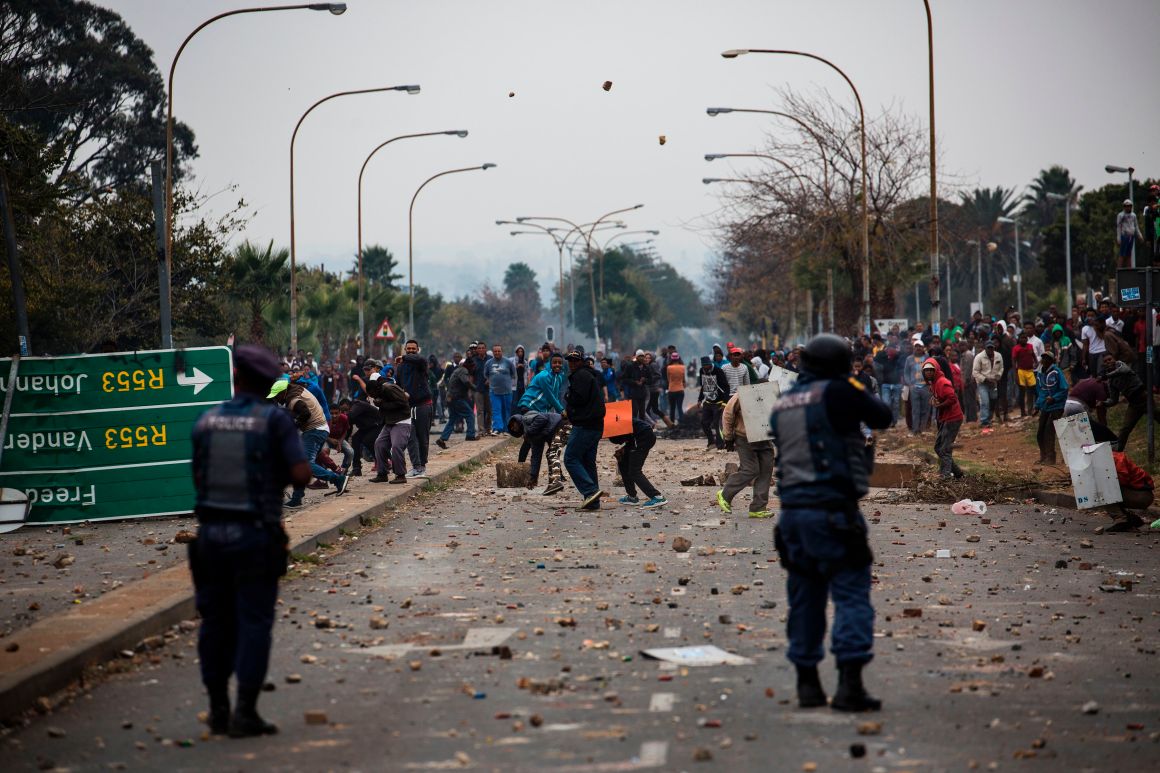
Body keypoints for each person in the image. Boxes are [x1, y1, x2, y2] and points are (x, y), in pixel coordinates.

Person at [190, 345, 310, 737]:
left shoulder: (207, 420)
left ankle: (217, 708)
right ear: (269, 384)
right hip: (255, 535)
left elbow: (197, 477)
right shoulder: (273, 422)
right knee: (254, 622)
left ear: (236, 378)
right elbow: (301, 474)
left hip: (210, 538)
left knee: (215, 623)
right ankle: (246, 711)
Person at [768, 334, 892, 712]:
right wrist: (851, 381)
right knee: (851, 594)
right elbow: (883, 417)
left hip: (792, 517)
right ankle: (849, 686)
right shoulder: (841, 391)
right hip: (834, 512)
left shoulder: (784, 402)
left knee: (805, 599)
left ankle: (807, 684)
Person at [268, 379, 348, 508]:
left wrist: (293, 426)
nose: (277, 399)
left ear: (283, 392)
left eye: (277, 396)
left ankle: (338, 479)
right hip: (319, 428)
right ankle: (297, 498)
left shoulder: (294, 400)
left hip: (314, 430)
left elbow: (305, 413)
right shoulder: (298, 390)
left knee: (305, 465)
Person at [717, 387, 775, 518]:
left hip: (764, 438)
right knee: (751, 469)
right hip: (744, 437)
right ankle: (725, 494)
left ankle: (758, 508)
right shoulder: (742, 396)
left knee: (766, 470)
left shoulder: (774, 395)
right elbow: (727, 414)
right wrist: (728, 437)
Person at [562, 347, 606, 510]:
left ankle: (590, 491)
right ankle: (593, 501)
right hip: (595, 425)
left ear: (581, 361)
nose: (572, 363)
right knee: (588, 462)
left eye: (575, 360)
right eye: (570, 360)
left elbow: (578, 399)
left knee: (570, 458)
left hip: (585, 425)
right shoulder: (588, 375)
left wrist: (568, 399)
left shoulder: (581, 376)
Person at [1102, 353, 1160, 451]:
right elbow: (1113, 400)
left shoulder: (1120, 365)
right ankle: (1118, 451)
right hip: (1133, 404)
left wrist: (1107, 375)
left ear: (1114, 359)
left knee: (1158, 416)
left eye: (1110, 359)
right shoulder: (1111, 381)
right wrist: (1103, 403)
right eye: (1106, 361)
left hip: (1144, 398)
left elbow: (1125, 370)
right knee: (1125, 428)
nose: (1108, 362)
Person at [508, 408, 568, 495]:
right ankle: (556, 482)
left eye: (513, 424)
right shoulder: (531, 436)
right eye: (512, 429)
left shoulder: (526, 418)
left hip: (562, 424)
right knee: (552, 453)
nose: (513, 428)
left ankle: (556, 482)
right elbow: (536, 456)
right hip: (557, 430)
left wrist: (529, 431)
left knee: (563, 455)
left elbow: (543, 418)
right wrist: (533, 477)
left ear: (516, 420)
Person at [610, 418, 667, 508]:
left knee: (634, 471)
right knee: (623, 461)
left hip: (642, 438)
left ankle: (657, 497)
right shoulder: (613, 418)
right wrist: (624, 449)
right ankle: (632, 497)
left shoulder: (611, 422)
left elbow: (618, 439)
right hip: (638, 438)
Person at [398, 339, 433, 478]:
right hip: (408, 407)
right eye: (408, 349)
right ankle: (416, 466)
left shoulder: (421, 363)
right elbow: (399, 385)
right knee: (410, 438)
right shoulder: (400, 367)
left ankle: (422, 466)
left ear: (417, 350)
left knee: (422, 437)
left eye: (414, 349)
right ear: (405, 349)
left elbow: (420, 360)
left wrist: (405, 357)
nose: (411, 350)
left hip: (423, 405)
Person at [924, 358, 964, 479]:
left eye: (931, 370)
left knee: (944, 449)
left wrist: (939, 405)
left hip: (953, 418)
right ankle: (958, 473)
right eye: (926, 371)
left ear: (936, 370)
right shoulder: (934, 383)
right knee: (938, 448)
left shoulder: (942, 382)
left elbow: (952, 398)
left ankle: (945, 476)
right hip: (946, 418)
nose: (929, 373)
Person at [436, 357, 478, 448]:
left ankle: (442, 439)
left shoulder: (459, 370)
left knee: (453, 419)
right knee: (470, 415)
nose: (474, 369)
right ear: (469, 366)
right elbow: (466, 382)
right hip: (456, 398)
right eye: (473, 367)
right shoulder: (463, 370)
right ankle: (470, 435)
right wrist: (476, 388)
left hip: (451, 398)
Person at [1034, 351, 1068, 464]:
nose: (1044, 360)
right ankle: (1043, 455)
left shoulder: (1056, 372)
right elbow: (1041, 392)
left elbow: (1064, 389)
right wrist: (1037, 406)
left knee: (1049, 430)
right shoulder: (1040, 374)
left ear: (1051, 361)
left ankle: (1051, 457)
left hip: (1056, 405)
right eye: (1043, 358)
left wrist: (1054, 398)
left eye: (1047, 358)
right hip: (1045, 405)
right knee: (1040, 432)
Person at [697, 356, 729, 449]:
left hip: (718, 402)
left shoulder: (718, 371)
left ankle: (720, 445)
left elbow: (726, 387)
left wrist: (724, 403)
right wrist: (700, 399)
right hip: (707, 401)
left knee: (716, 424)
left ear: (711, 364)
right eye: (704, 367)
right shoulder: (701, 371)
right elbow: (703, 386)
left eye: (708, 366)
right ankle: (711, 442)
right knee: (704, 423)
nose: (706, 369)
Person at [972, 339, 1003, 435]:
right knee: (985, 401)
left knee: (993, 399)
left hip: (993, 382)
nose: (990, 350)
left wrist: (997, 377)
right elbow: (975, 372)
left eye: (991, 348)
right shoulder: (979, 357)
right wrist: (985, 379)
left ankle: (989, 418)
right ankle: (984, 421)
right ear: (985, 348)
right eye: (988, 348)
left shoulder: (998, 356)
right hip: (983, 382)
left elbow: (1001, 368)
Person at [485, 344, 517, 434]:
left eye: (499, 351)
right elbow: (486, 374)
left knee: (506, 411)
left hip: (507, 391)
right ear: (493, 352)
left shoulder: (508, 362)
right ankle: (497, 428)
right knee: (496, 410)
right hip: (494, 391)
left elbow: (513, 373)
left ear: (502, 351)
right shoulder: (489, 363)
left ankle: (507, 429)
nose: (497, 353)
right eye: (495, 351)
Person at [1012, 332, 1038, 417]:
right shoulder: (1016, 348)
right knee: (1022, 392)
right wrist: (1015, 374)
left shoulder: (1030, 346)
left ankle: (1033, 409)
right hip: (1021, 371)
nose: (1023, 339)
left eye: (1025, 338)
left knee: (1033, 390)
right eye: (1021, 338)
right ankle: (1023, 411)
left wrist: (1036, 362)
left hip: (1030, 371)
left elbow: (1033, 355)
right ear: (1019, 339)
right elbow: (1014, 361)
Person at [1116, 199, 1144, 270]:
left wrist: (1140, 235)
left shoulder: (1133, 215)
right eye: (1126, 206)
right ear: (1124, 207)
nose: (1128, 207)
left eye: (1129, 206)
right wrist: (1118, 238)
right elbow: (1118, 227)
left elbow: (1136, 226)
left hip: (1131, 236)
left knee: (1129, 255)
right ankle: (1119, 271)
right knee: (1122, 254)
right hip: (1124, 236)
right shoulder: (1121, 215)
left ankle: (1129, 271)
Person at [666, 352, 686, 425]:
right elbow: (683, 379)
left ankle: (672, 423)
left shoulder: (669, 367)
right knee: (680, 407)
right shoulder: (682, 367)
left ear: (671, 359)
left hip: (671, 390)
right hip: (680, 389)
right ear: (678, 358)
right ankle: (682, 423)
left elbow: (668, 379)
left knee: (672, 408)